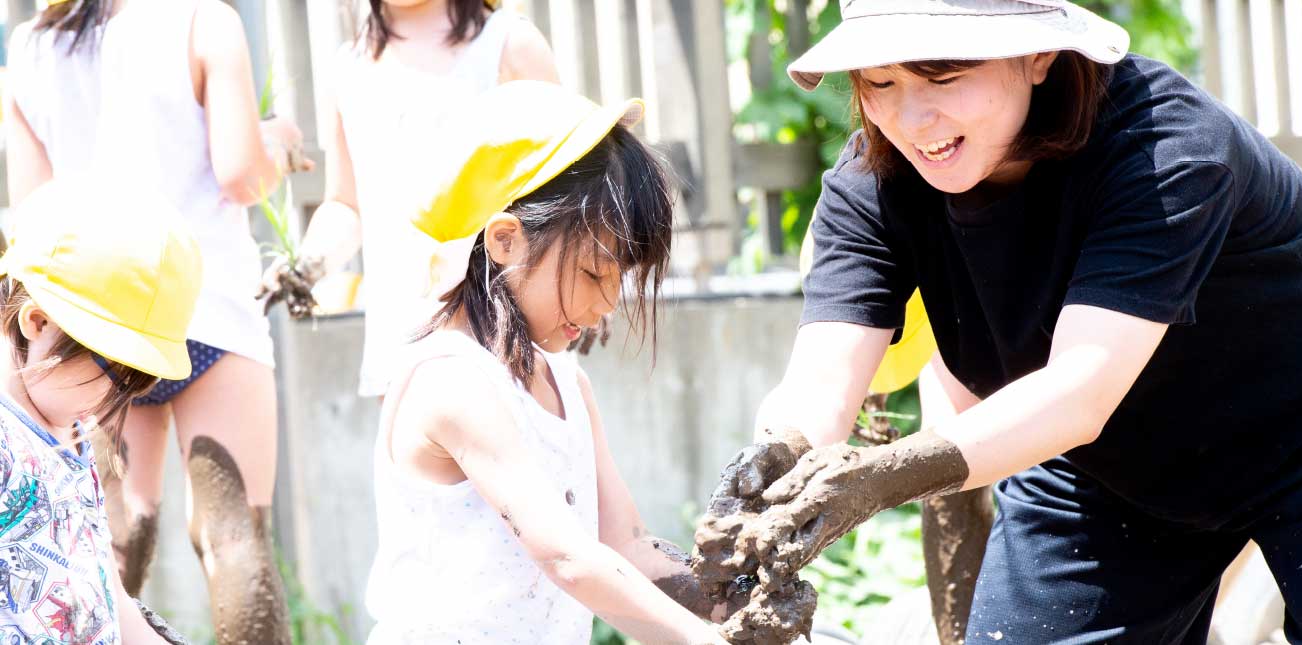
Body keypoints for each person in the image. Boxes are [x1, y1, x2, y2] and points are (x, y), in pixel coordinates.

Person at [696, 0, 1302, 643]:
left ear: (1038, 54)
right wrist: (772, 462)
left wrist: (878, 478)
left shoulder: (1162, 145)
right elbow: (820, 386)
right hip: (1109, 474)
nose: (913, 116)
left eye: (943, 77)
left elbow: (1078, 392)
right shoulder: (874, 183)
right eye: (881, 82)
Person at [365, 81, 757, 644]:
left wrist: (728, 602)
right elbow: (569, 558)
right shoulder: (452, 381)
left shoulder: (568, 385)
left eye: (619, 280)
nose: (604, 306)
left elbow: (623, 549)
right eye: (594, 274)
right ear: (505, 240)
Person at [4, 0, 311, 641]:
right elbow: (239, 174)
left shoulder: (32, 48)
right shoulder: (202, 20)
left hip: (86, 324)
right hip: (203, 308)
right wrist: (276, 143)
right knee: (234, 535)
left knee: (110, 527)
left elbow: (38, 213)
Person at [261, 0, 559, 398]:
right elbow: (346, 205)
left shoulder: (508, 44)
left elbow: (567, 188)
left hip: (505, 339)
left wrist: (576, 284)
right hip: (403, 345)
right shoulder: (350, 67)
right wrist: (307, 265)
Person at [0, 180, 201, 644]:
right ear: (38, 321)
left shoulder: (67, 438)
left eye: (140, 383)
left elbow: (106, 596)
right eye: (116, 372)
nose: (119, 401)